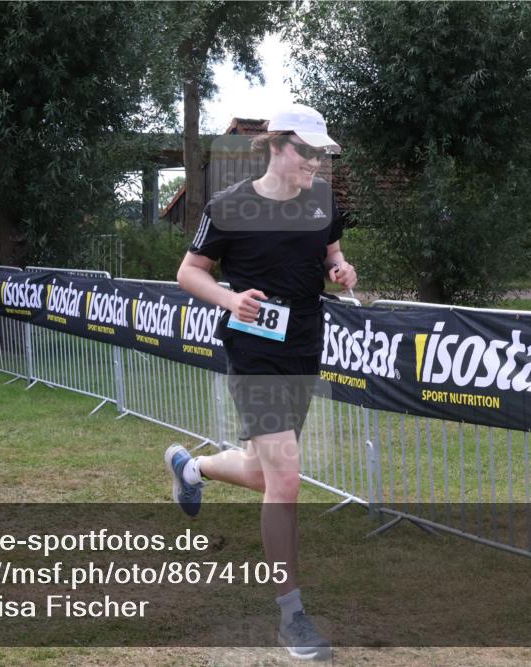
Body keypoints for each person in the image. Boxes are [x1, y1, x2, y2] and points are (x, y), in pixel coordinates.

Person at [166, 103, 356, 660]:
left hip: (302, 348)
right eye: (307, 152)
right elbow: (188, 272)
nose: (315, 165)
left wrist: (342, 271)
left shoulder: (323, 203)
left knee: (264, 471)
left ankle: (191, 466)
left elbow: (333, 256)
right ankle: (291, 616)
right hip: (252, 353)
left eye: (322, 155)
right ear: (276, 145)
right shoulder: (231, 206)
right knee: (288, 478)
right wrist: (231, 299)